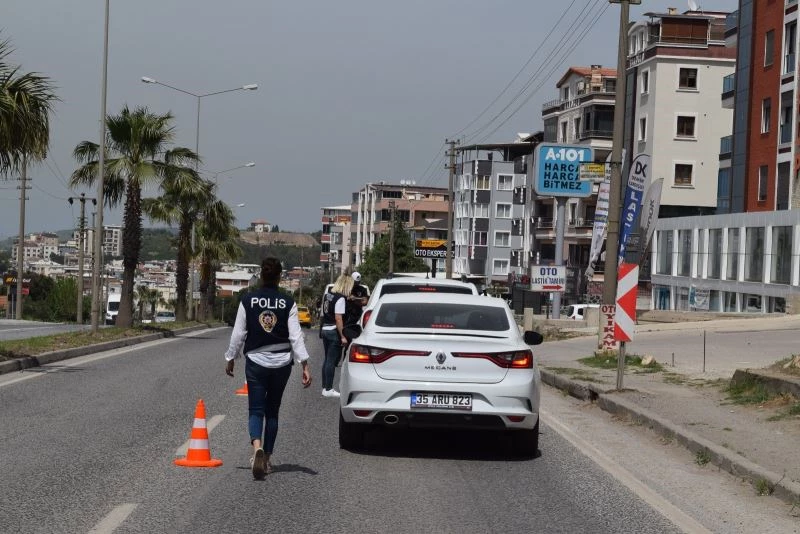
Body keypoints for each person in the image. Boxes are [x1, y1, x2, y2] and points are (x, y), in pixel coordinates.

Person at [224, 257, 312, 480]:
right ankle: (268, 459)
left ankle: (257, 448)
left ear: (262, 276)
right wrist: (304, 364)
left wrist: (231, 357)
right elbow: (296, 336)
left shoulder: (248, 300)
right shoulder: (288, 302)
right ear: (280, 276)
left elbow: (238, 333)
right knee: (272, 411)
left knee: (256, 409)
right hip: (282, 363)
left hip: (256, 361)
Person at [319, 274, 353, 398]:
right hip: (333, 331)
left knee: (327, 359)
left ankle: (324, 387)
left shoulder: (328, 295)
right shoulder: (340, 298)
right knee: (331, 361)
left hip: (325, 328)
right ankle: (329, 388)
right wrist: (343, 336)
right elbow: (338, 318)